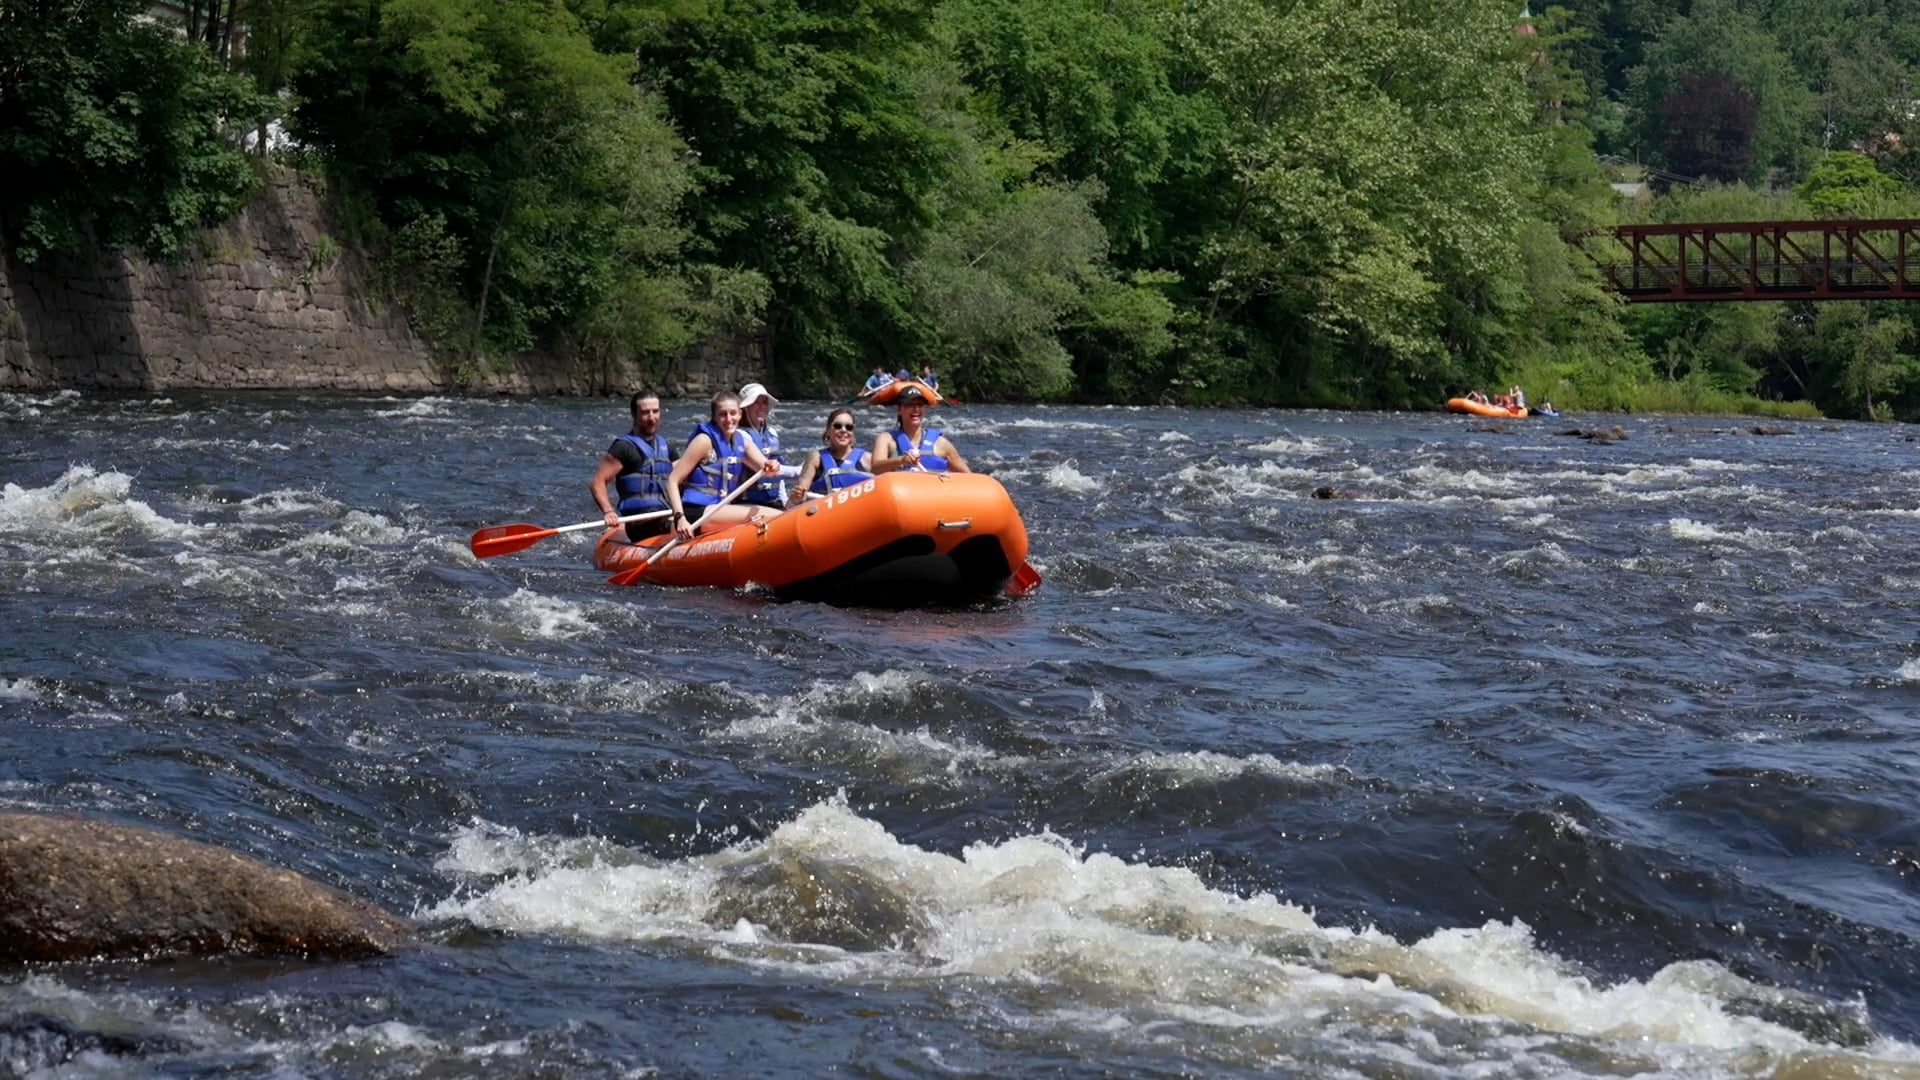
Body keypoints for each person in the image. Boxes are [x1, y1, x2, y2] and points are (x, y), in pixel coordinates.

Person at [664, 391, 783, 537]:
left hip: (720, 509)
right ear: (714, 417)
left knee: (777, 514)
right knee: (771, 516)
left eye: (733, 413)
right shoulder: (704, 441)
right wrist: (680, 518)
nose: (729, 419)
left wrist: (771, 466)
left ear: (740, 414)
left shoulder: (742, 442)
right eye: (723, 414)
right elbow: (672, 480)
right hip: (696, 512)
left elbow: (764, 466)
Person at [591, 390, 678, 541]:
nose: (652, 418)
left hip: (665, 515)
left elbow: (682, 477)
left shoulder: (666, 447)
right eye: (645, 413)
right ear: (634, 414)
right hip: (639, 523)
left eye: (655, 411)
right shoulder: (623, 448)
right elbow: (597, 482)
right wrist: (608, 511)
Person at [871, 385, 970, 474]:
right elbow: (875, 468)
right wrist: (901, 460)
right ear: (899, 410)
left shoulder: (942, 444)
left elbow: (969, 477)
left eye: (920, 405)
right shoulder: (886, 439)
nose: (916, 409)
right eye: (910, 405)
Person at [788, 408, 874, 506]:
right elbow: (799, 493)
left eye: (849, 427)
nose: (843, 430)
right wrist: (797, 497)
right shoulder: (816, 458)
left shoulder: (867, 459)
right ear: (828, 430)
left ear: (853, 433)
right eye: (837, 426)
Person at [737, 382, 801, 511]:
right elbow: (769, 470)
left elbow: (779, 479)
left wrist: (784, 502)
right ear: (745, 407)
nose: (762, 407)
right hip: (748, 504)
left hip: (772, 502)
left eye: (764, 402)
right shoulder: (740, 436)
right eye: (756, 402)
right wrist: (802, 471)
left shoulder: (772, 434)